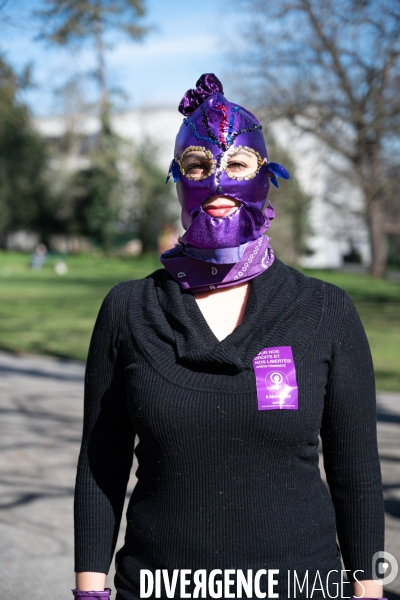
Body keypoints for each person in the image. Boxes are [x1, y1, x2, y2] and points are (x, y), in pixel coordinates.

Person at [72, 74, 386, 600]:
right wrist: (88, 591)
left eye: (236, 164)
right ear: (177, 178)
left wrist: (371, 590)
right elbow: (100, 468)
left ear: (265, 174)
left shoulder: (324, 310)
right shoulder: (129, 309)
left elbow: (358, 477)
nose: (216, 181)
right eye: (197, 165)